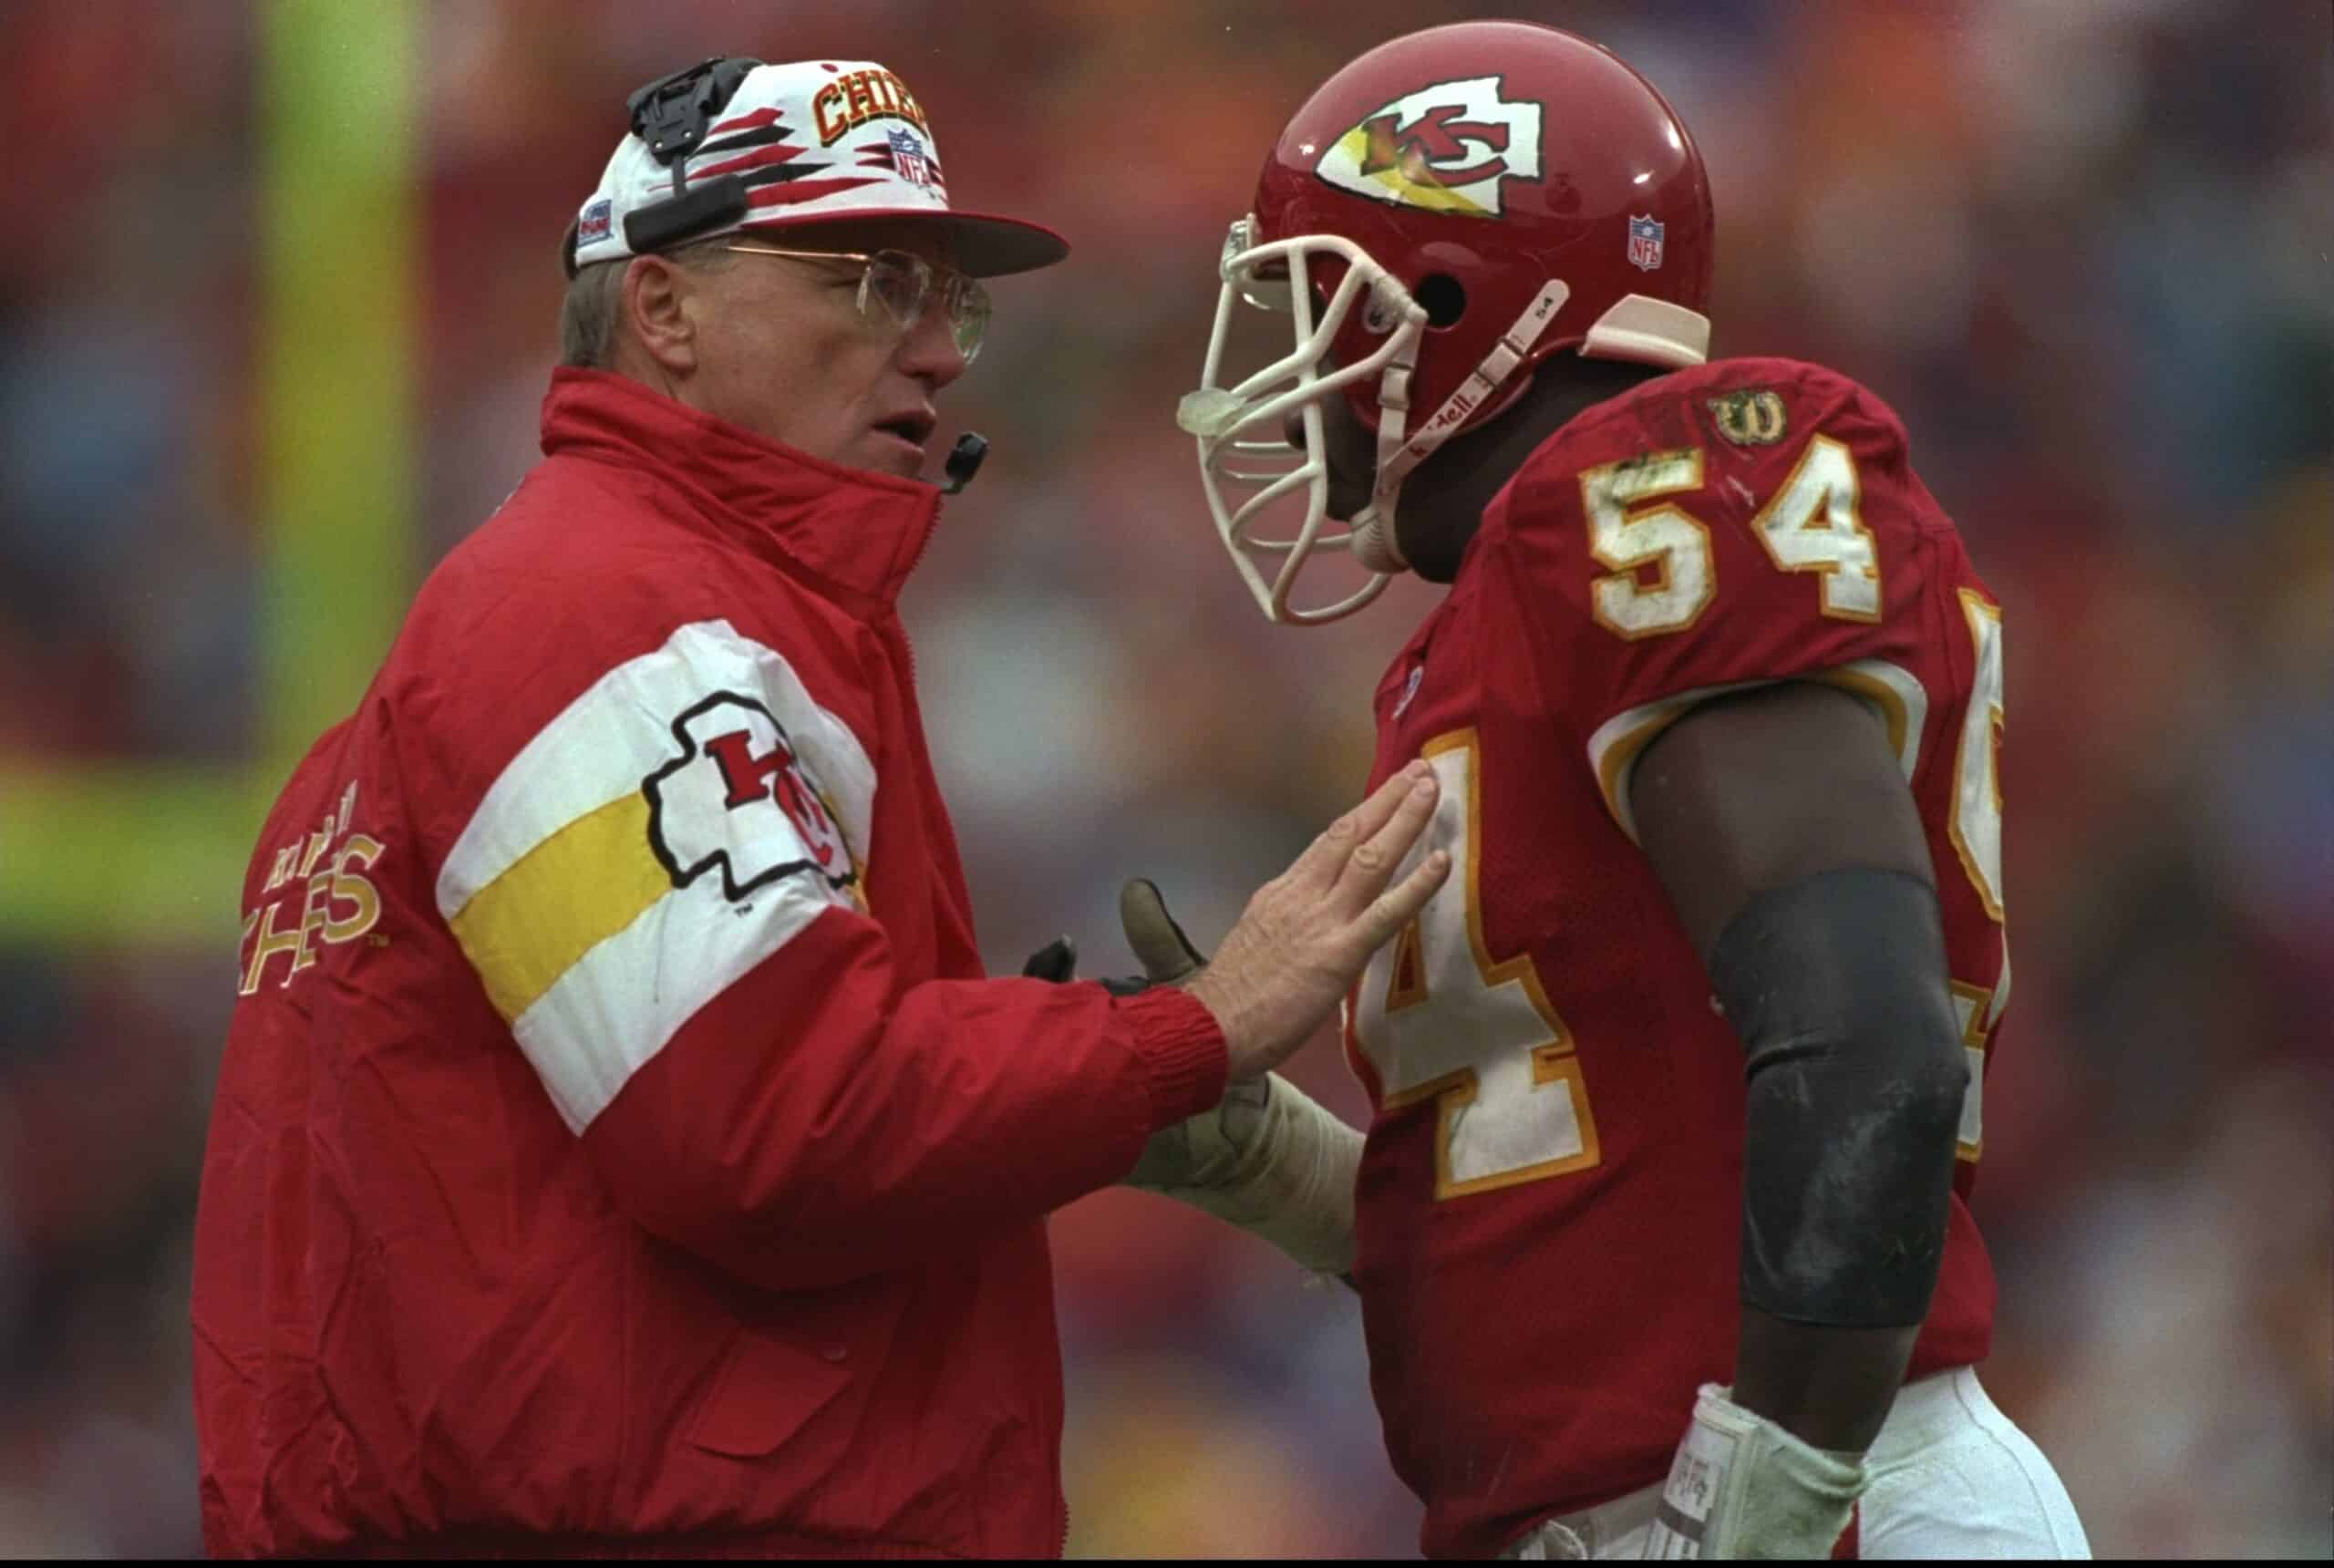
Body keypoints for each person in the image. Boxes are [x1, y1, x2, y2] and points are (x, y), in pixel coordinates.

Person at [190, 53, 1449, 1558]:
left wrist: (1101, 1080)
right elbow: (767, 1127)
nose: (936, 352)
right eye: (867, 283)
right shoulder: (594, 607)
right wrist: (1197, 1025)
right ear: (662, 310)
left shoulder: (644, 611)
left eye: (946, 300)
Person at [1167, 20, 2092, 1561]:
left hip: (1810, 1495)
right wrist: (1275, 1165)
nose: (1296, 377)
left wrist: (1776, 1491)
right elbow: (1574, 1229)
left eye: (1323, 308)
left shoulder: (1659, 499)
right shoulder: (1499, 621)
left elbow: (1865, 1041)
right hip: (1667, 1495)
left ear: (1453, 305)